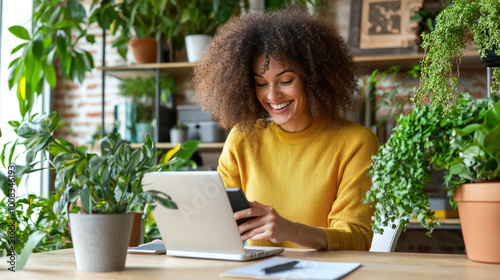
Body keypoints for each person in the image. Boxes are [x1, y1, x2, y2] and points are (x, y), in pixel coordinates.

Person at [192, 7, 379, 251]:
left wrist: (289, 229)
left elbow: (357, 238)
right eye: (261, 83)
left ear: (312, 79)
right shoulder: (242, 139)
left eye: (285, 81)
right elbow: (215, 219)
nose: (272, 95)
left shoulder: (356, 142)